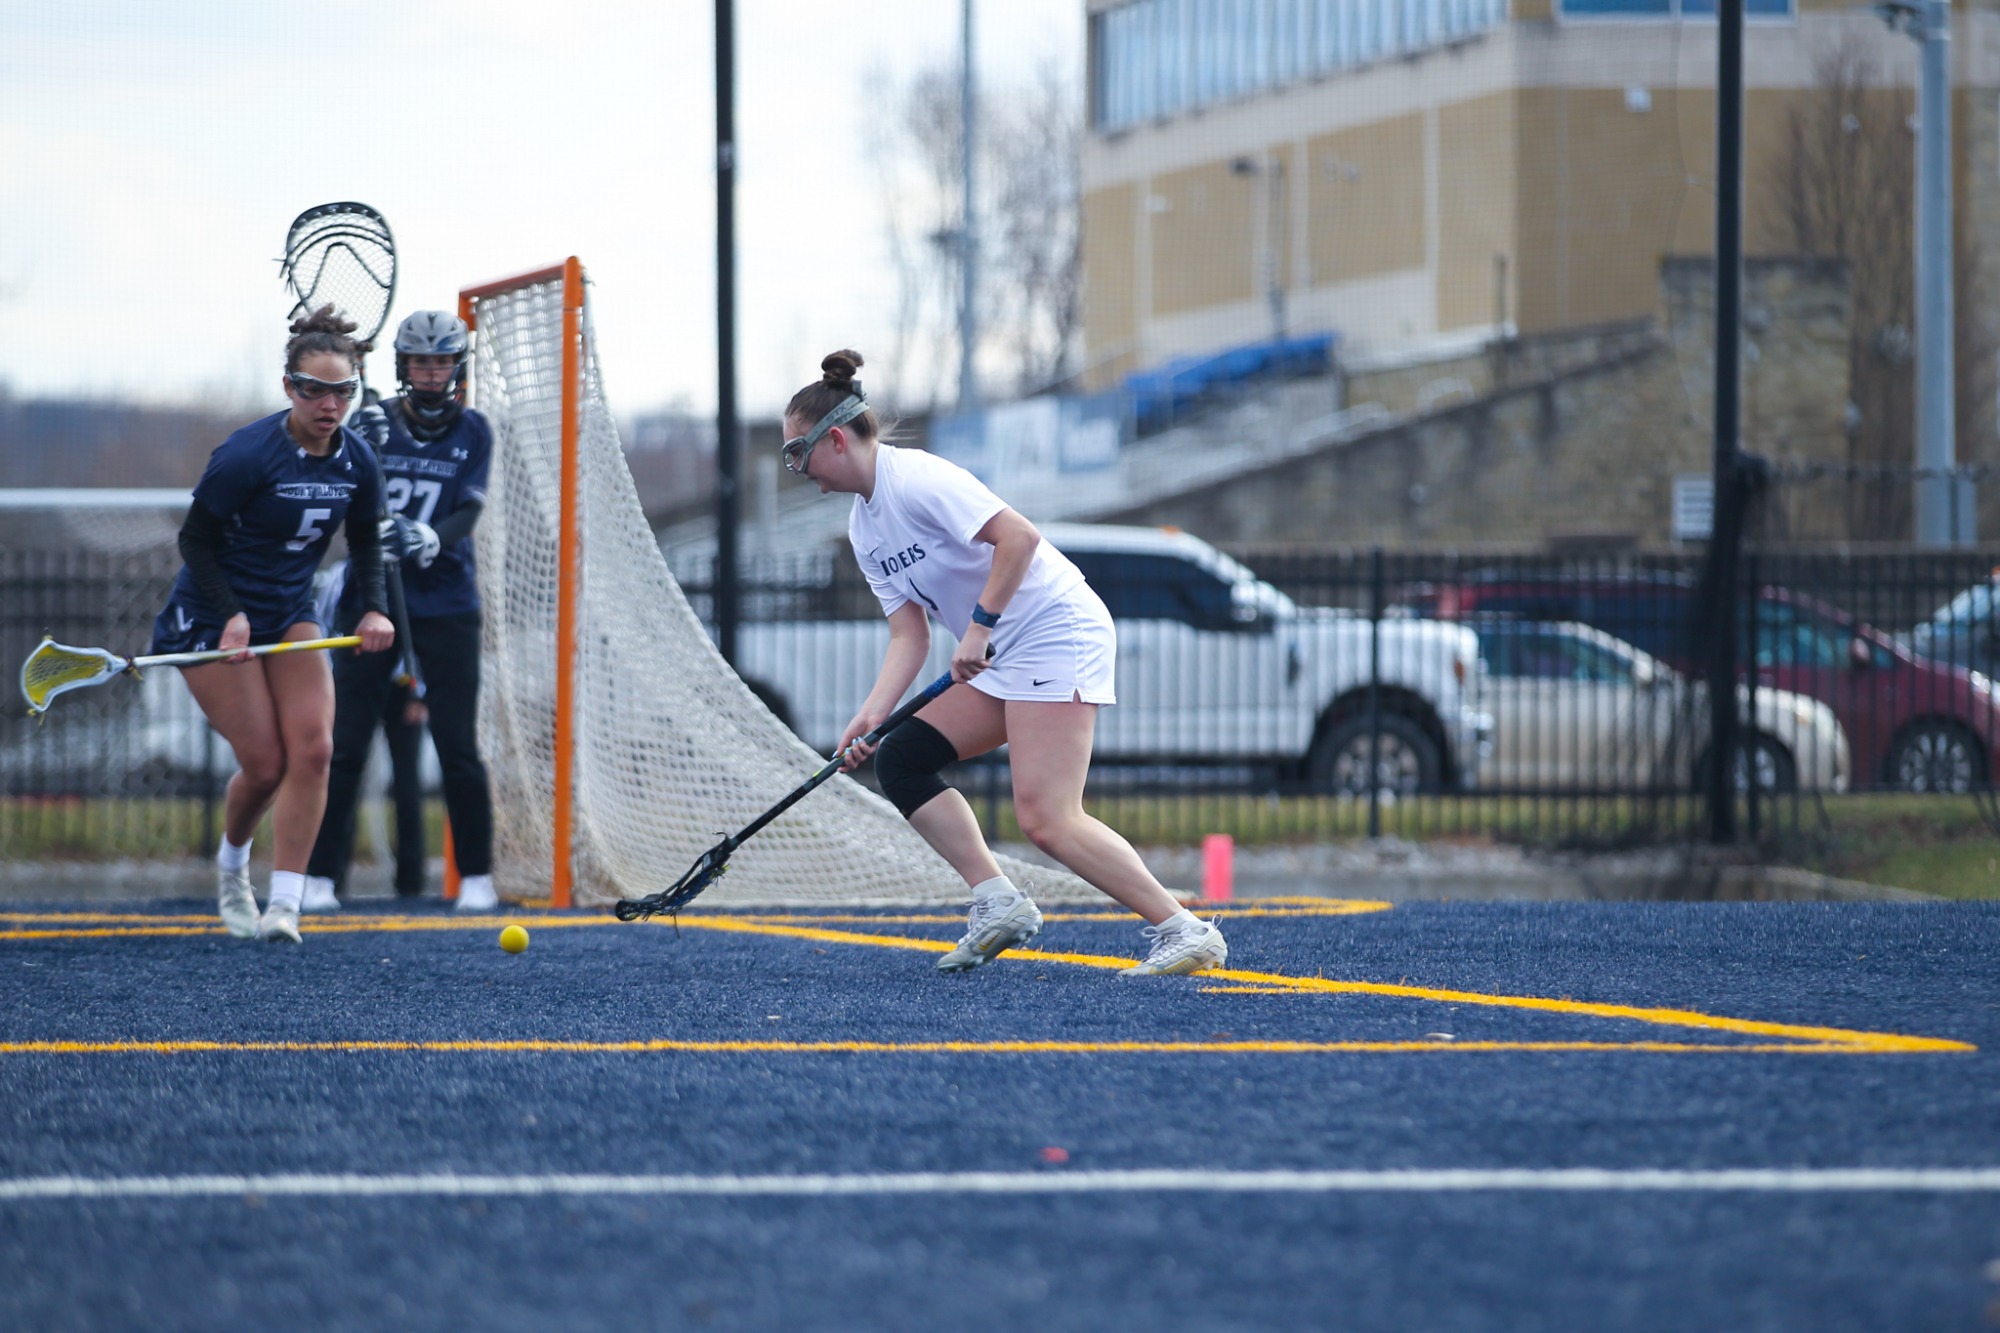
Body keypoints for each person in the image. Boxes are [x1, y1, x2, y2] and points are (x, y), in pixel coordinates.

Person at [785, 349, 1228, 976]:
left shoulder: (917, 480)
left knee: (1046, 818)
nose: (797, 469)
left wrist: (978, 626)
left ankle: (1185, 930)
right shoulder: (864, 527)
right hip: (1002, 650)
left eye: (796, 454)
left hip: (1053, 631)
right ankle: (998, 902)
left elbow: (1018, 537)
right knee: (902, 757)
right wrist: (870, 716)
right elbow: (907, 636)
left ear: (834, 439)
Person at [153, 305, 395, 943]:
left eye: (342, 390)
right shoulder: (247, 456)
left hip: (290, 614)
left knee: (315, 749)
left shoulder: (358, 461)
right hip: (210, 616)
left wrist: (374, 607)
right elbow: (196, 540)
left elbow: (367, 543)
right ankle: (233, 866)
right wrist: (231, 614)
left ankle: (285, 904)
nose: (328, 403)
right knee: (263, 766)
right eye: (313, 389)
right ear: (290, 387)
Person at [303, 310, 496, 913]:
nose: (432, 373)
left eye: (442, 361)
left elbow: (469, 508)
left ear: (456, 367)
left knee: (457, 745)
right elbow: (333, 492)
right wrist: (352, 451)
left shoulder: (475, 431)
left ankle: (477, 876)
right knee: (346, 744)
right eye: (421, 361)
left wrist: (432, 538)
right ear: (403, 366)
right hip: (373, 601)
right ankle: (320, 875)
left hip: (446, 605)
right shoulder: (372, 423)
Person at [307, 562, 431, 900]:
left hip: (403, 686)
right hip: (357, 681)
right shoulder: (340, 576)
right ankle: (328, 878)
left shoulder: (411, 573)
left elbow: (420, 632)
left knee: (407, 783)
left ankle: (411, 883)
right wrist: (332, 683)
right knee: (343, 771)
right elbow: (324, 627)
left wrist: (420, 692)